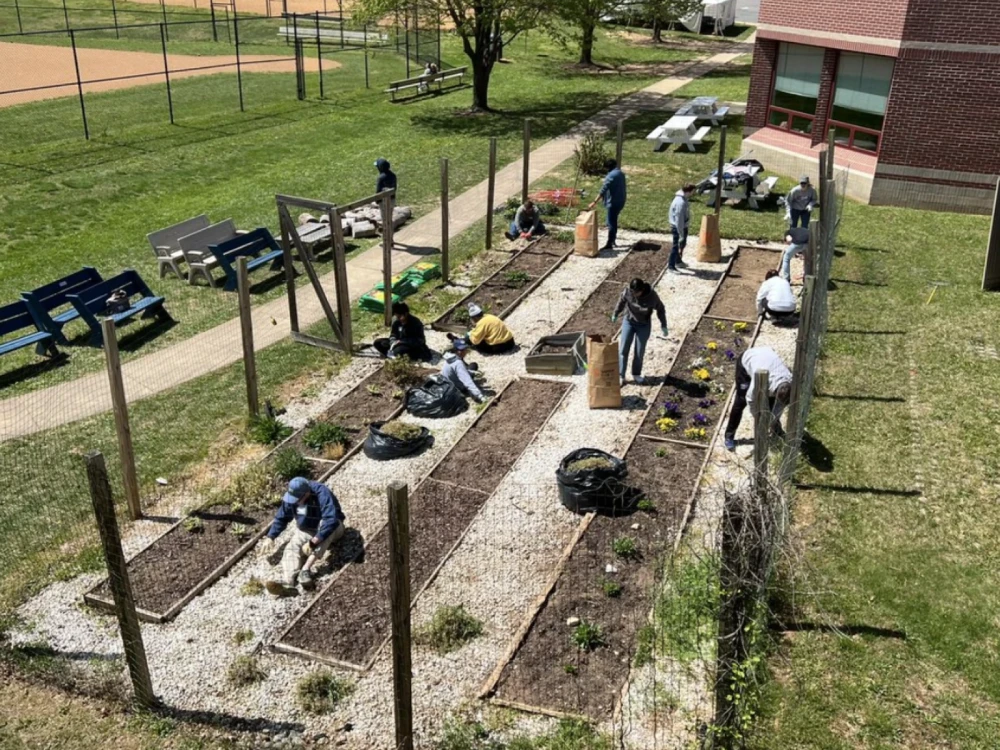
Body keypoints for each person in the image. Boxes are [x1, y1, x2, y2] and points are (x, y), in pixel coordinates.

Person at [260, 477, 346, 595]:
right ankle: (288, 583)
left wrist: (313, 542)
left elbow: (331, 520)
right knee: (291, 548)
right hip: (308, 529)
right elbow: (282, 517)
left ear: (307, 493)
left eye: (297, 500)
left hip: (334, 528)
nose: (294, 502)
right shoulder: (292, 497)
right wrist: (271, 536)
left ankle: (305, 570)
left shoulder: (322, 493)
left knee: (325, 528)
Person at [724, 346, 792, 452]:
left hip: (765, 357)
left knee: (771, 403)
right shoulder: (761, 382)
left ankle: (776, 429)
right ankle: (729, 436)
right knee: (740, 401)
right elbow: (750, 399)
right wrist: (758, 417)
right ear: (774, 390)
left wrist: (770, 420)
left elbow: (779, 405)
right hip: (747, 361)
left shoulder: (790, 380)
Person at [612, 278, 668, 386]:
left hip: (643, 325)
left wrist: (664, 325)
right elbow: (622, 301)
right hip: (629, 321)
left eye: (636, 292)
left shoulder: (652, 297)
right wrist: (616, 313)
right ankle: (621, 375)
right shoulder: (628, 291)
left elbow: (660, 309)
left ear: (642, 290)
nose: (634, 294)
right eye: (632, 292)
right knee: (623, 349)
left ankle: (636, 373)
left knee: (639, 351)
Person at [587, 158, 626, 251]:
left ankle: (610, 243)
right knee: (613, 220)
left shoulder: (610, 176)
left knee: (611, 222)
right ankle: (613, 240)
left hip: (613, 202)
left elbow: (603, 190)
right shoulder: (620, 173)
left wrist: (594, 202)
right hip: (621, 201)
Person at [448, 303, 515, 354]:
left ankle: (459, 342)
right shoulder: (489, 316)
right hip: (510, 342)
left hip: (500, 347)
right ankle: (459, 340)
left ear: (474, 318)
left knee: (473, 340)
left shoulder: (481, 323)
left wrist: (469, 336)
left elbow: (475, 340)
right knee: (477, 335)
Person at [668, 183, 696, 272]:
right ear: (689, 191)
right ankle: (671, 266)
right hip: (678, 228)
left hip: (681, 226)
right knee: (676, 246)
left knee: (681, 245)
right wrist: (681, 234)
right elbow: (679, 220)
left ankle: (678, 261)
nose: (694, 193)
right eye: (693, 191)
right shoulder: (681, 202)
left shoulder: (682, 198)